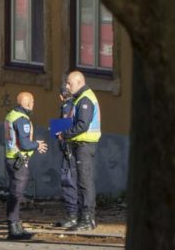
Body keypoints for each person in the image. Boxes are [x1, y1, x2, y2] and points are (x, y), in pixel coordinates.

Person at [57, 71, 102, 231]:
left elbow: (82, 124)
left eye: (69, 83)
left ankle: (87, 219)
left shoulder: (85, 99)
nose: (67, 87)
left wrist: (64, 134)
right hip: (81, 144)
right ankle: (85, 218)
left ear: (79, 82)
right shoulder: (79, 99)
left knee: (85, 182)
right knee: (82, 182)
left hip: (84, 144)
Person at [4, 91, 48, 240]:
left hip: (12, 159)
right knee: (16, 195)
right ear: (28, 103)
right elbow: (24, 144)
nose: (33, 104)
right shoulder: (22, 119)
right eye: (33, 101)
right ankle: (13, 228)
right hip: (19, 161)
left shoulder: (11, 114)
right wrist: (37, 145)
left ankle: (17, 227)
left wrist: (33, 144)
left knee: (15, 194)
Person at [55, 83, 78, 228]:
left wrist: (57, 132)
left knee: (68, 180)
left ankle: (72, 215)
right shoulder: (78, 103)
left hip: (69, 150)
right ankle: (80, 214)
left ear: (60, 96)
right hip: (79, 148)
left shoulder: (66, 107)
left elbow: (61, 133)